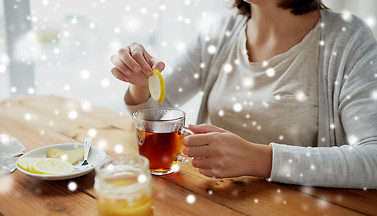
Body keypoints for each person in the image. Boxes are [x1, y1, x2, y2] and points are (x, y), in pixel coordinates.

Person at [110, 0, 377, 189]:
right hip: (217, 200)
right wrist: (140, 84)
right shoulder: (220, 33)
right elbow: (156, 113)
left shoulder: (347, 38)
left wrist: (259, 160)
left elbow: (373, 160)